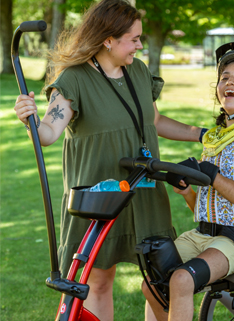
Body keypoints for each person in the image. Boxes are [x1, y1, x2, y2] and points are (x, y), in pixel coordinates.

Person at [13, 1, 206, 320]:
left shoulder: (139, 71)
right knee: (99, 282)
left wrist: (202, 133)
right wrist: (30, 119)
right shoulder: (74, 78)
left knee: (160, 279)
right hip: (101, 198)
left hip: (144, 192)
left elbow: (153, 121)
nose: (140, 45)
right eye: (133, 39)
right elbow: (48, 132)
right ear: (108, 39)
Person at [143, 42, 234, 321]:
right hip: (203, 235)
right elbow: (155, 121)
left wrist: (210, 173)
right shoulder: (214, 137)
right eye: (224, 77)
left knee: (180, 280)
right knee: (152, 283)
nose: (230, 81)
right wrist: (187, 190)